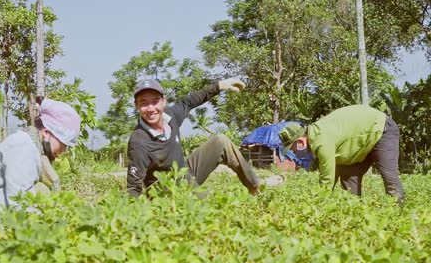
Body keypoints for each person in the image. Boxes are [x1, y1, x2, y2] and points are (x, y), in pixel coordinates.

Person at [126, 78, 284, 197]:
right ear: (137, 106)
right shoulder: (139, 141)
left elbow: (189, 102)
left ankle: (255, 185)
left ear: (163, 101)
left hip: (185, 172)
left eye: (155, 101)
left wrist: (218, 86)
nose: (151, 108)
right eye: (144, 103)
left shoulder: (170, 116)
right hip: (166, 191)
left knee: (220, 141)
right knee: (206, 202)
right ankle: (194, 198)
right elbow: (134, 187)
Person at [0, 98, 81, 240]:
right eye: (64, 142)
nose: (65, 149)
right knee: (38, 193)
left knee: (41, 191)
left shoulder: (31, 147)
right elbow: (19, 199)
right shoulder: (22, 146)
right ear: (45, 132)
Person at [278, 105, 405, 203]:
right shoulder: (317, 133)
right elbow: (333, 174)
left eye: (292, 147)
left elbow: (327, 179)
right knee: (348, 181)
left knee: (389, 177)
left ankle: (398, 214)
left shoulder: (322, 142)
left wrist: (319, 204)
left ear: (300, 142)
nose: (293, 151)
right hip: (358, 144)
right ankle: (354, 220)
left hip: (382, 129)